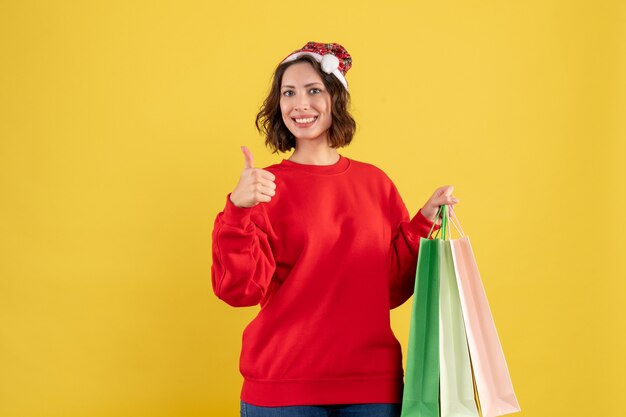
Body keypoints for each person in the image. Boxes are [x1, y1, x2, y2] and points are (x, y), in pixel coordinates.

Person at [211, 41, 459, 417]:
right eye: (288, 93)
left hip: (372, 386)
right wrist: (237, 211)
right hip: (282, 387)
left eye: (314, 91)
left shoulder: (375, 183)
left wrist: (423, 222)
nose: (300, 105)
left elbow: (389, 287)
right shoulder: (263, 188)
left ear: (336, 99)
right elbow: (239, 290)